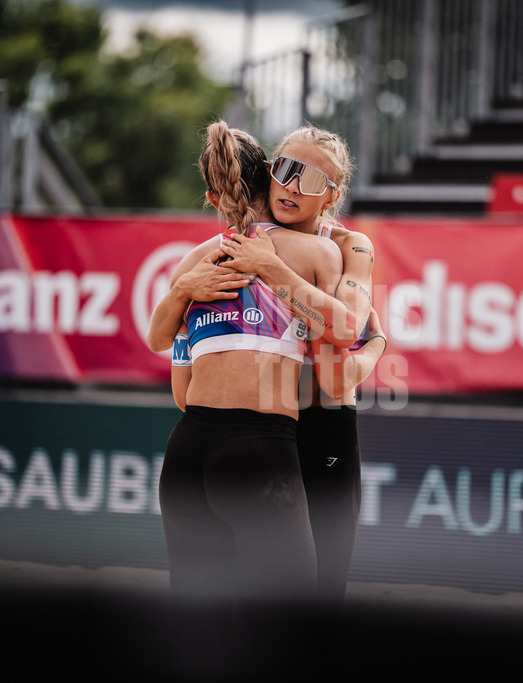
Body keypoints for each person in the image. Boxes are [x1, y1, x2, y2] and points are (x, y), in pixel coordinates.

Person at [152, 121, 345, 609]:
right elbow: (345, 330)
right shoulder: (317, 250)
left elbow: (173, 372)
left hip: (186, 451)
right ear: (270, 178)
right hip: (258, 448)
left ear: (214, 197)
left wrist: (183, 293)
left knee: (199, 624)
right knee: (289, 619)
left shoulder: (195, 261)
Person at [217, 125, 386, 601]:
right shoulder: (247, 231)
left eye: (312, 180)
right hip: (255, 426)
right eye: (287, 169)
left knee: (321, 590)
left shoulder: (350, 246)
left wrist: (376, 348)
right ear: (270, 171)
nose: (293, 186)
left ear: (332, 196)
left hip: (322, 424)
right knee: (245, 592)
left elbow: (347, 329)